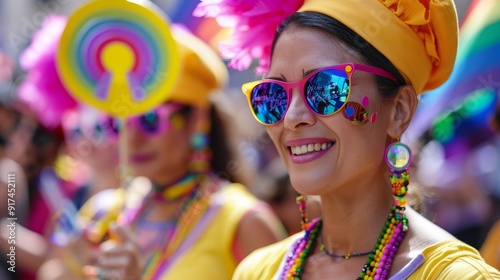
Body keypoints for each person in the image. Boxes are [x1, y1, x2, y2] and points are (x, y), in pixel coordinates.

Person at [195, 0, 500, 279]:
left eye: (326, 88)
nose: (291, 117)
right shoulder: (258, 271)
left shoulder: (454, 275)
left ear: (399, 110)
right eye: (273, 95)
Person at [52, 24, 286, 280]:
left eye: (150, 120)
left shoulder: (242, 222)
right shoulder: (103, 214)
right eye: (119, 121)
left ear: (196, 119)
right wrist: (71, 268)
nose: (133, 139)